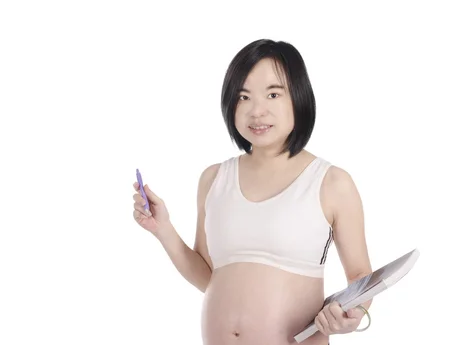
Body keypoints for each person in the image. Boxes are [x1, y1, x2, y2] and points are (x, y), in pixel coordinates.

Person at [132, 39, 373, 345]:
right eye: (243, 97)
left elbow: (361, 277)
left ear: (299, 97)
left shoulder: (332, 182)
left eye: (273, 94)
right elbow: (209, 277)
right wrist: (162, 229)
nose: (257, 110)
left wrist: (351, 318)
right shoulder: (214, 179)